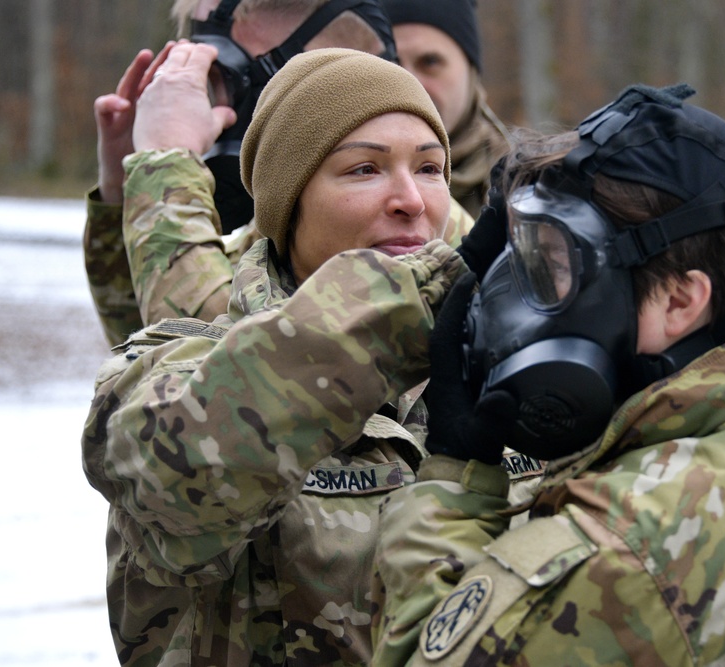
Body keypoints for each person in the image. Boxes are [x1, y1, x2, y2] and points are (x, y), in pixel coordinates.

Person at [370, 85, 725, 665]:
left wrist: (456, 475)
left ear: (681, 301)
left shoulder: (624, 554)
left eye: (556, 269)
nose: (524, 302)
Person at [82, 46, 492, 666]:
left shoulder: (494, 362)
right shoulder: (172, 373)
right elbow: (175, 489)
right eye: (364, 170)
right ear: (288, 201)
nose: (412, 199)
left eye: (431, 168)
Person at [83, 0, 476, 347]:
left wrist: (165, 165)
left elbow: (220, 373)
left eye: (231, 81)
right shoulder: (295, 228)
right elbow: (148, 354)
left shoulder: (427, 239)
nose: (215, 112)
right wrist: (124, 192)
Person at [382, 0, 510, 217]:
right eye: (391, 64)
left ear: (470, 73)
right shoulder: (330, 185)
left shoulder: (524, 188)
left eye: (430, 62)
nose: (410, 83)